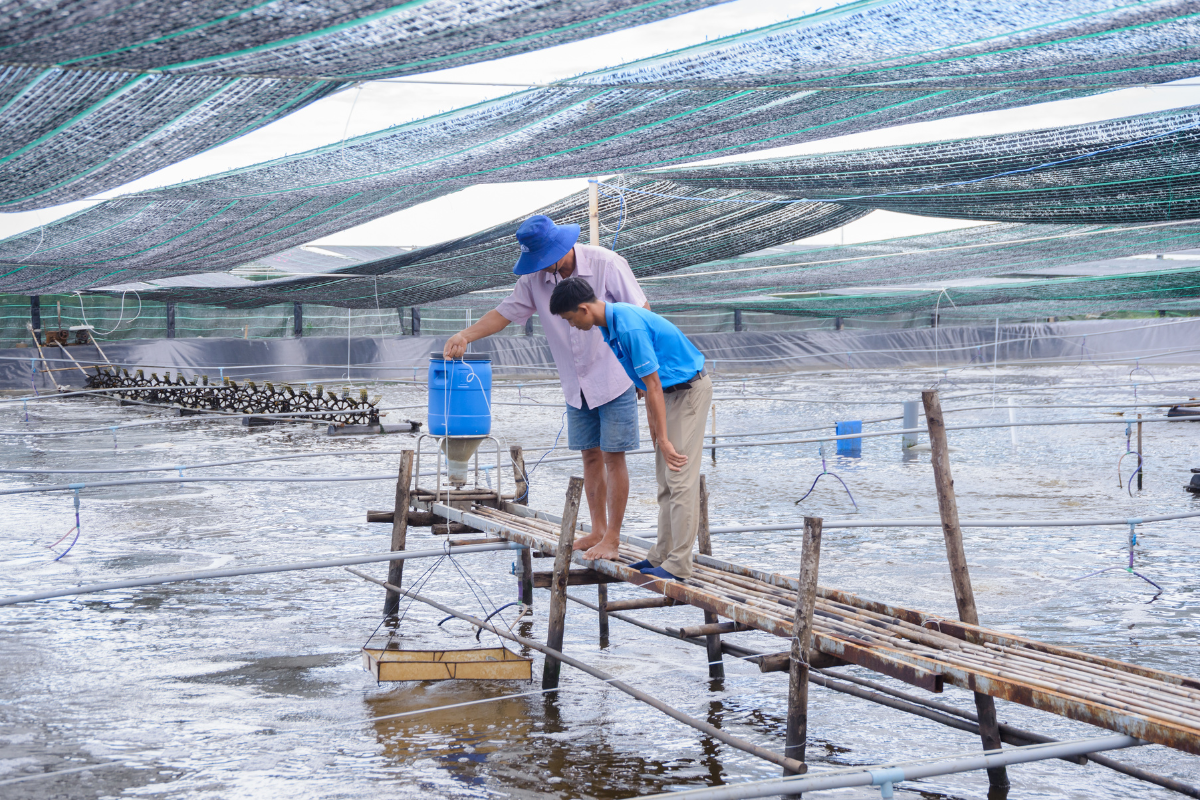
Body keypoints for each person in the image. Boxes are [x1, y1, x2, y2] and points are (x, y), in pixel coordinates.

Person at [442, 215, 648, 561]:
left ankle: (612, 538)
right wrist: (465, 335)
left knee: (614, 455)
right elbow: (505, 313)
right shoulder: (535, 278)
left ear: (560, 246)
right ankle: (597, 529)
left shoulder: (606, 264)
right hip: (575, 381)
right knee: (590, 454)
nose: (539, 267)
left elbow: (641, 312)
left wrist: (641, 368)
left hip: (614, 374)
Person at [549, 276, 712, 581]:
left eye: (571, 319)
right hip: (668, 393)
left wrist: (662, 437)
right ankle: (662, 554)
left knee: (680, 480)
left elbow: (651, 383)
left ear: (584, 309)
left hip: (687, 392)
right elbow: (648, 386)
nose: (572, 326)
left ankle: (679, 564)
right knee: (665, 480)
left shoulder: (627, 327)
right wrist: (655, 428)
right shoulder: (609, 324)